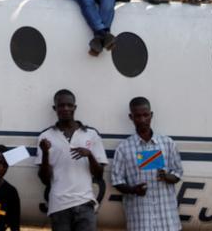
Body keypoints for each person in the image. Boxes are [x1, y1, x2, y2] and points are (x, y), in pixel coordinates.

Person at [111, 97, 184, 231]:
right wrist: (133, 190)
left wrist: (167, 177)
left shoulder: (167, 143)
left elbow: (178, 173)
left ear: (151, 115)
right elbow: (117, 181)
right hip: (140, 221)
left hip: (167, 221)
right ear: (131, 117)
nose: (142, 120)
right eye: (137, 116)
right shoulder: (124, 148)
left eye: (146, 115)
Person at [37, 89, 106, 231]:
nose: (65, 109)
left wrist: (90, 155)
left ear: (75, 107)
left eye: (69, 105)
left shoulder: (91, 134)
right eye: (61, 105)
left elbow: (99, 174)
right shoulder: (46, 136)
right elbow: (44, 179)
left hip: (85, 203)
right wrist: (45, 153)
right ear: (55, 108)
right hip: (59, 206)